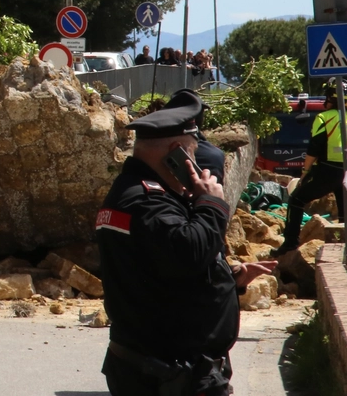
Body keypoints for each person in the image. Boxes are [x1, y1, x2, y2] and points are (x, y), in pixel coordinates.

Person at [97, 92, 273, 395]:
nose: (194, 161)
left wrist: (229, 278)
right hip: (169, 376)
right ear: (176, 153)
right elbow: (188, 253)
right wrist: (211, 204)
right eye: (191, 152)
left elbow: (160, 268)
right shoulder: (147, 202)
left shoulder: (135, 194)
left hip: (157, 369)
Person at [272, 86, 347, 256]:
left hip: (328, 170)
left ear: (331, 100)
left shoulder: (324, 118)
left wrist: (305, 172)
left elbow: (314, 148)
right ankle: (346, 244)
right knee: (345, 209)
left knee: (297, 199)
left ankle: (290, 243)